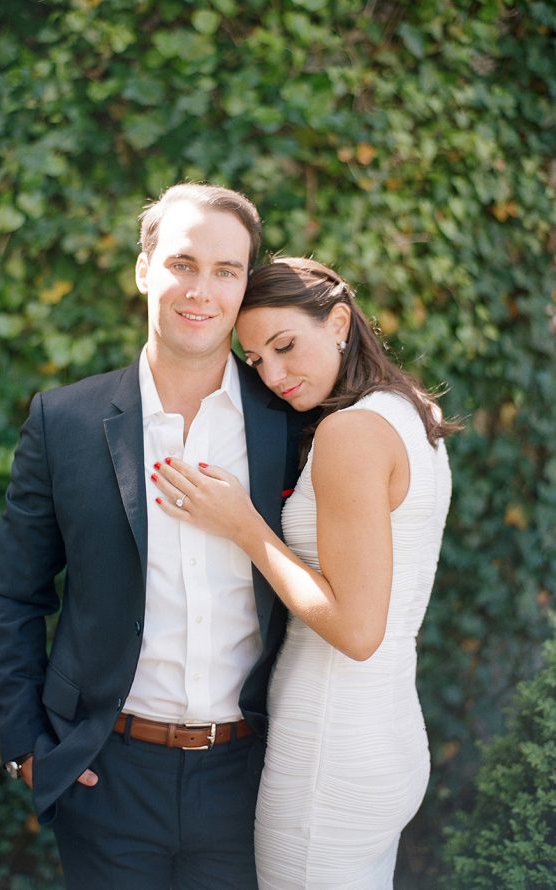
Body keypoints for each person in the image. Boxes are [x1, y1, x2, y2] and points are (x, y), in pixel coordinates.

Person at [0, 185, 311, 889]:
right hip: (108, 780)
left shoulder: (289, 423)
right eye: (182, 264)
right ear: (143, 269)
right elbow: (14, 593)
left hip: (252, 779)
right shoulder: (62, 422)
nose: (201, 290)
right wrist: (29, 751)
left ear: (245, 285)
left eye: (226, 271)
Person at [151, 256, 460, 889]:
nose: (274, 374)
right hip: (388, 732)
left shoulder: (350, 433)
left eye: (286, 345)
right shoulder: (412, 414)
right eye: (257, 358)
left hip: (330, 748)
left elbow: (355, 629)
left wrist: (243, 526)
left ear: (340, 322)